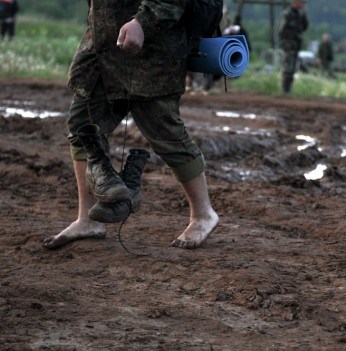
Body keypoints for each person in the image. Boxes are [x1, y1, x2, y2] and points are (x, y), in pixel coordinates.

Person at [43, 0, 219, 250]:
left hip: (152, 49)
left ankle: (203, 215)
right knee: (83, 124)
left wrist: (142, 22)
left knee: (164, 130)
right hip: (103, 47)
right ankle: (88, 219)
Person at [279, 0, 308, 94]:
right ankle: (285, 90)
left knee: (292, 69)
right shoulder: (288, 14)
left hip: (295, 46)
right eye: (301, 2)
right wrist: (295, 36)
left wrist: (304, 15)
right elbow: (283, 31)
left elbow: (304, 27)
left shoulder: (298, 15)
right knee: (288, 67)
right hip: (288, 45)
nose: (302, 4)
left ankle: (288, 90)